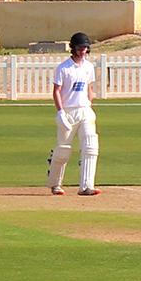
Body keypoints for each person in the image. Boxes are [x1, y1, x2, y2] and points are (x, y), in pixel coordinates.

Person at [47, 32, 101, 196]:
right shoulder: (64, 68)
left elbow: (89, 88)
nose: (83, 50)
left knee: (90, 146)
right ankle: (55, 184)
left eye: (85, 47)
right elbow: (56, 91)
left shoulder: (89, 67)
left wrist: (89, 105)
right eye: (80, 47)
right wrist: (61, 112)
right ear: (73, 48)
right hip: (68, 112)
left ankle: (86, 186)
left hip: (85, 111)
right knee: (63, 149)